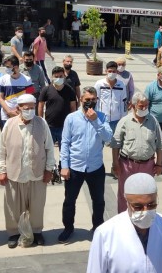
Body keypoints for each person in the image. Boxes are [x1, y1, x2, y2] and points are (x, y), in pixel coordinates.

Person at [87, 173, 162, 273]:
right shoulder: (105, 233)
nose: (146, 211)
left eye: (151, 205)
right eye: (138, 207)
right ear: (126, 201)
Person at [0, 94, 55, 248]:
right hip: (14, 173)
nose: (29, 111)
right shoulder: (9, 124)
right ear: (18, 109)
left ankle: (37, 232)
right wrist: (2, 170)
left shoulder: (41, 123)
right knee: (12, 205)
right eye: (26, 108)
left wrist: (49, 169)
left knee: (37, 206)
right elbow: (2, 150)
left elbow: (49, 147)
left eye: (32, 108)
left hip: (37, 174)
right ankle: (14, 233)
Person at [59, 87, 113, 243]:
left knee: (99, 200)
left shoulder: (102, 117)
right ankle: (68, 228)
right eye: (87, 99)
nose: (90, 102)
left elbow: (108, 137)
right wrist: (64, 165)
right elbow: (65, 142)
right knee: (69, 200)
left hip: (95, 167)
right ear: (80, 100)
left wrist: (96, 120)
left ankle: (97, 227)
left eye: (93, 99)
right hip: (75, 167)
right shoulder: (71, 118)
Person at [111, 92, 162, 213]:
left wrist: (159, 163)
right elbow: (116, 145)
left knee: (146, 193)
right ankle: (124, 220)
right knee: (125, 193)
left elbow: (159, 144)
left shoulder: (153, 121)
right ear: (134, 105)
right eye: (141, 106)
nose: (144, 108)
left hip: (148, 164)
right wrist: (115, 164)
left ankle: (143, 218)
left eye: (146, 105)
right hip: (127, 164)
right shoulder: (124, 121)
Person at [38, 66, 77, 149]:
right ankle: (50, 163)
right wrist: (41, 120)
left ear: (64, 77)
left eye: (60, 76)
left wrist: (72, 123)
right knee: (47, 149)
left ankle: (62, 162)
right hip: (49, 126)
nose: (58, 78)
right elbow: (40, 106)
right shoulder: (46, 89)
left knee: (64, 149)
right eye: (56, 77)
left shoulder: (69, 90)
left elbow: (73, 107)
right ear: (52, 77)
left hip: (64, 126)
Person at [0, 56, 34, 124]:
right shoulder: (2, 79)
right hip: (6, 115)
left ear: (16, 67)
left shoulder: (27, 80)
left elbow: (30, 98)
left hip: (22, 115)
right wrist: (9, 111)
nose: (6, 69)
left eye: (8, 67)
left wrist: (19, 111)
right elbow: (0, 98)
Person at [95, 61, 128, 132]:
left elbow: (124, 102)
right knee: (101, 141)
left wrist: (124, 118)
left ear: (117, 72)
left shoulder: (121, 85)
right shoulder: (99, 84)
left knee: (114, 141)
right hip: (102, 118)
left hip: (116, 119)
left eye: (114, 71)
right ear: (106, 71)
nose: (112, 73)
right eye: (110, 71)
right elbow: (96, 101)